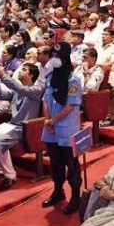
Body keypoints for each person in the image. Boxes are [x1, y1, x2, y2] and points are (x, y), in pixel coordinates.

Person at [0, 62, 43, 190]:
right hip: (12, 125)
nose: (20, 71)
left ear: (31, 75)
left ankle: (10, 176)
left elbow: (20, 88)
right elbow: (0, 95)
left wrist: (3, 75)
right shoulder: (17, 90)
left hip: (25, 128)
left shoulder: (36, 90)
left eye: (24, 69)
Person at [41, 42, 83, 215]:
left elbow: (70, 105)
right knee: (55, 163)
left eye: (57, 56)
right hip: (50, 128)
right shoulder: (50, 76)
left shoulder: (73, 79)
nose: (54, 58)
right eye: (53, 55)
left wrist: (53, 121)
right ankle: (58, 191)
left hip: (66, 129)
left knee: (71, 165)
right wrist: (47, 120)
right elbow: (45, 100)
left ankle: (76, 197)